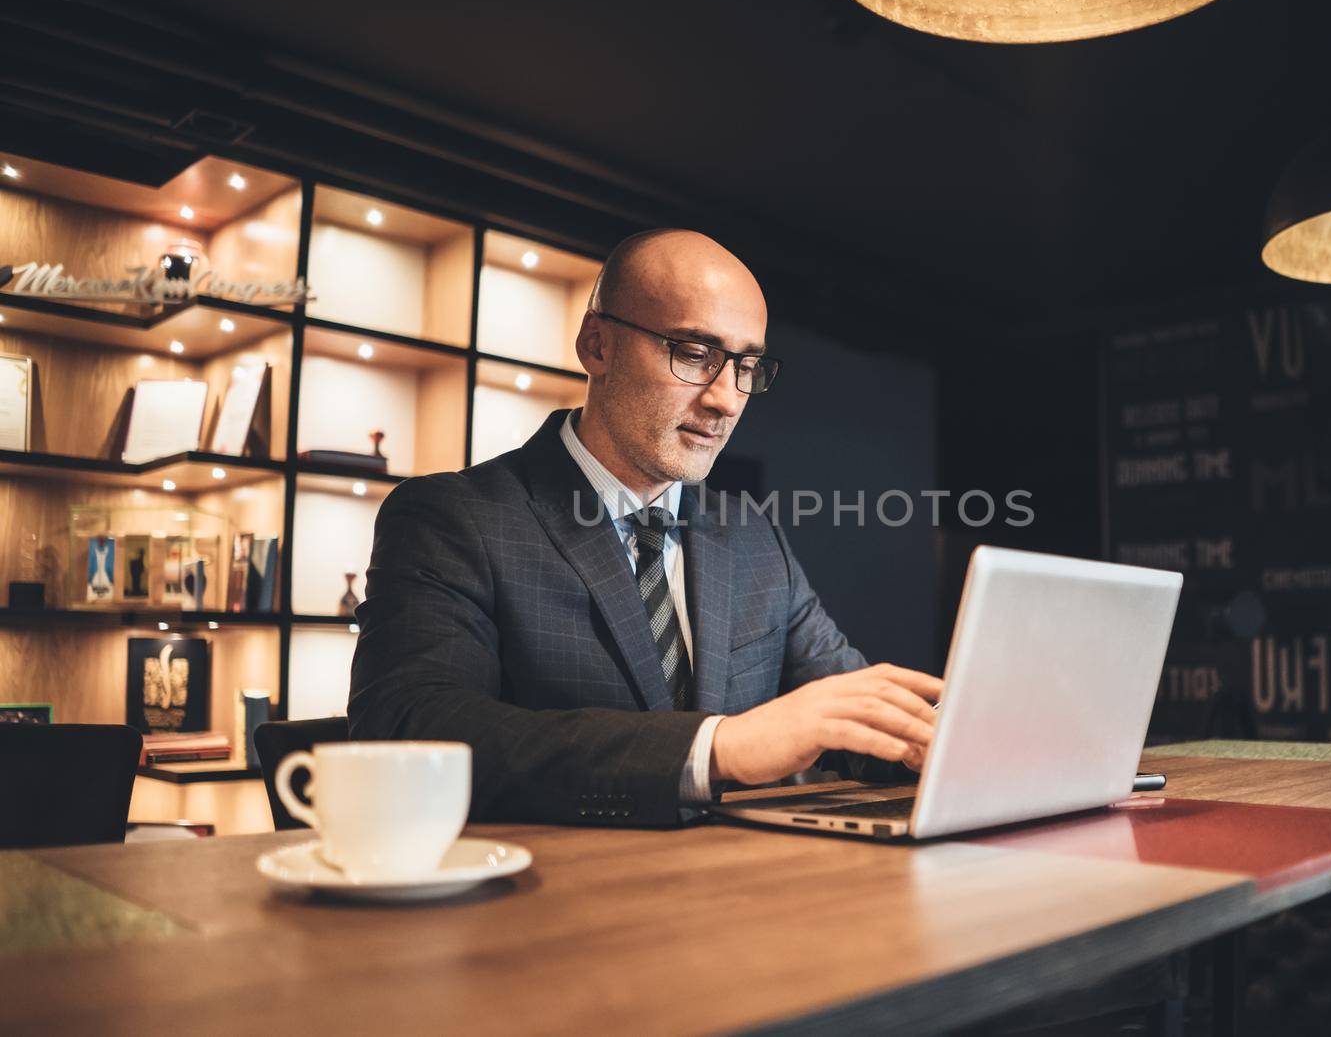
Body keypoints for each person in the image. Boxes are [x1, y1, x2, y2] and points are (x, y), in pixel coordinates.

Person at [348, 229, 942, 825]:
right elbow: (410, 727)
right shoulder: (453, 518)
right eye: (693, 354)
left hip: (739, 892)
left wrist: (963, 738)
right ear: (596, 345)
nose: (727, 400)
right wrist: (718, 748)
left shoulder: (753, 537)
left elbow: (855, 716)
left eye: (747, 365)